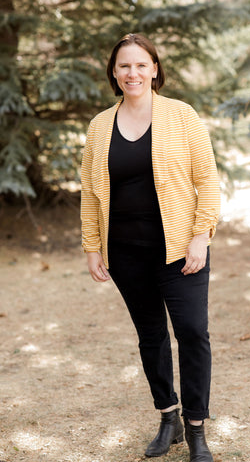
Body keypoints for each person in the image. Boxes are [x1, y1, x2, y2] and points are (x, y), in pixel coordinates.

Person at [81, 33, 220, 462]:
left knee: (193, 333)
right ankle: (169, 417)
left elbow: (207, 182)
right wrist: (91, 246)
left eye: (141, 65)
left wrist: (201, 237)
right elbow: (90, 191)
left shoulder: (182, 116)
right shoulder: (100, 126)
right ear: (114, 72)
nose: (132, 73)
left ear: (155, 69)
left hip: (180, 249)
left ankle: (197, 428)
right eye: (124, 66)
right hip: (125, 252)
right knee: (151, 337)